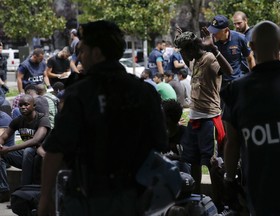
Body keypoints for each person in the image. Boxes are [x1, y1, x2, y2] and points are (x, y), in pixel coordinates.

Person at [38, 20, 168, 216]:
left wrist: (45, 198)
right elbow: (161, 143)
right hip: (135, 198)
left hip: (88, 198)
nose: (79, 57)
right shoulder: (145, 91)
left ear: (97, 53)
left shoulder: (79, 93)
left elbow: (56, 150)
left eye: (82, 51)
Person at [221, 21, 280, 216]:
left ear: (251, 47)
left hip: (261, 193)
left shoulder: (236, 91)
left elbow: (231, 143)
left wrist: (229, 181)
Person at [174, 29, 233, 199]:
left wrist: (214, 48)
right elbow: (187, 62)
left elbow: (228, 71)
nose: (183, 55)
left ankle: (220, 204)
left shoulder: (209, 58)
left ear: (192, 48)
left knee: (212, 165)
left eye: (184, 51)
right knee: (193, 162)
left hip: (209, 119)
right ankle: (196, 199)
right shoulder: (195, 60)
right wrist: (179, 39)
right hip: (194, 119)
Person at [0, 94, 51, 202]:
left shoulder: (42, 119)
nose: (23, 107)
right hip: (27, 157)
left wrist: (8, 149)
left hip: (41, 157)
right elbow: (4, 136)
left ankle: (23, 195)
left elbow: (35, 141)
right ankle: (3, 190)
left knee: (28, 150)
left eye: (26, 105)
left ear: (34, 106)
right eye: (21, 105)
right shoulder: (19, 120)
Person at [207, 15, 255, 87]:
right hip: (218, 84)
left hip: (236, 82)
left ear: (226, 30)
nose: (213, 34)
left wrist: (253, 78)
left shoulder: (239, 38)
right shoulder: (210, 42)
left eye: (216, 31)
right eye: (212, 30)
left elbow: (250, 59)